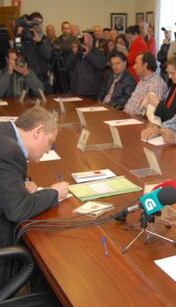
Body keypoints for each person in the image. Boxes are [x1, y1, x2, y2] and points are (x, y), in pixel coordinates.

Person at [0, 107, 69, 285]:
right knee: (46, 252)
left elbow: (6, 172)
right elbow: (18, 210)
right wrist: (53, 193)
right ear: (38, 132)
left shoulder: (5, 132)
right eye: (49, 142)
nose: (47, 150)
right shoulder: (9, 150)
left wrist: (22, 182)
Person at [17, 12, 52, 93]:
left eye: (41, 22)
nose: (39, 25)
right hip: (29, 80)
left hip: (44, 81)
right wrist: (18, 37)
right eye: (36, 22)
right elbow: (19, 51)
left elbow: (48, 56)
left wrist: (39, 43)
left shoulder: (45, 39)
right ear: (30, 23)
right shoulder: (26, 39)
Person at [123, 52, 167, 116]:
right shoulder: (142, 81)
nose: (134, 67)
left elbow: (150, 113)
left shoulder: (156, 84)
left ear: (145, 65)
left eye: (136, 63)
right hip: (126, 117)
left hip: (137, 122)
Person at [65, 32, 107, 98]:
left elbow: (101, 65)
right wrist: (73, 53)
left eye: (87, 40)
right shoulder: (78, 53)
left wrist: (88, 54)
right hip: (76, 89)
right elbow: (68, 65)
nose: (85, 43)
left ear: (92, 41)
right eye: (83, 42)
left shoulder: (99, 52)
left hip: (91, 92)